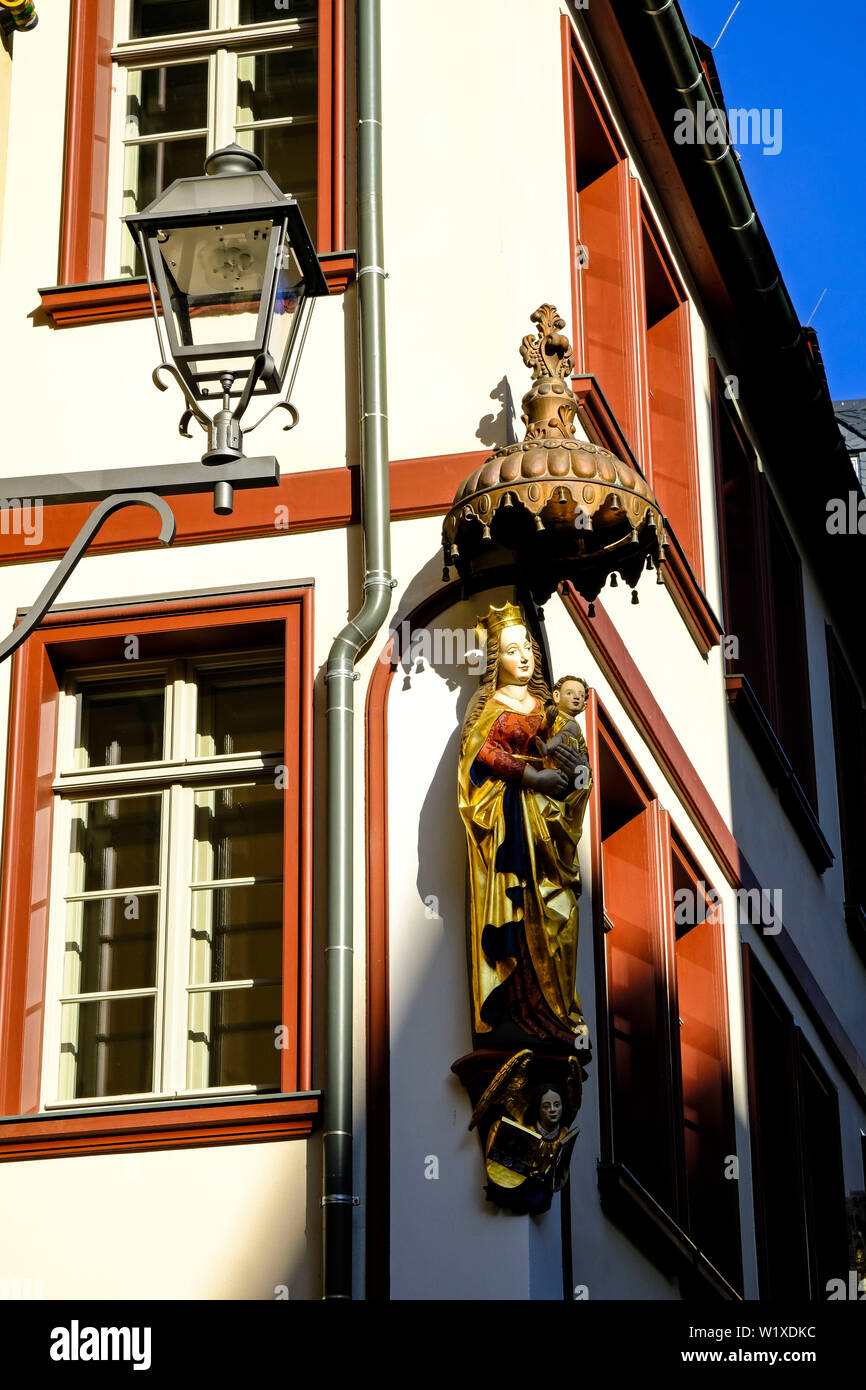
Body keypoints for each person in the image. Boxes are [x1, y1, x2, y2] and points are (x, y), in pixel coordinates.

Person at [458, 603, 592, 1049]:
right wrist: (532, 775)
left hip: (549, 824)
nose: (525, 658)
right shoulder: (489, 704)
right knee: (518, 906)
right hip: (511, 819)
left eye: (528, 649)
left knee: (558, 910)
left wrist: (575, 772)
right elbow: (480, 754)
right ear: (496, 658)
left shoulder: (548, 707)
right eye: (513, 651)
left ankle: (557, 1010)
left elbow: (571, 753)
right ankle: (519, 1008)